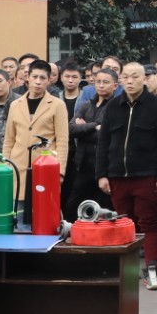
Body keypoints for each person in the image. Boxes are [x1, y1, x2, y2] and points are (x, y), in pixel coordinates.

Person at [96, 62, 157, 288]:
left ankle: (151, 267)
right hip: (117, 176)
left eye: (135, 77)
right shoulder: (113, 106)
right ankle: (124, 269)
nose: (130, 81)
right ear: (120, 79)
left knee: (149, 222)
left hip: (146, 176)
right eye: (126, 77)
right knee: (122, 222)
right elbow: (103, 143)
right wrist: (101, 174)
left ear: (145, 79)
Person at [2, 59, 70, 226]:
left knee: (44, 218)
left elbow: (62, 141)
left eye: (42, 78)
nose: (38, 82)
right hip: (18, 167)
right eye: (35, 77)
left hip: (45, 167)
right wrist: (6, 165)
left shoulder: (57, 105)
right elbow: (9, 140)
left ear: (49, 80)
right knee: (19, 217)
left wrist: (60, 172)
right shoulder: (15, 105)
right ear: (28, 78)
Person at [66, 67, 115, 220]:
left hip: (105, 167)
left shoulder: (115, 107)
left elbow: (105, 136)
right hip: (82, 165)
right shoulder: (86, 105)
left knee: (103, 209)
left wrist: (84, 128)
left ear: (115, 85)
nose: (101, 85)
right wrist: (94, 126)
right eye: (98, 81)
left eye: (105, 82)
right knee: (72, 206)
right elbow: (71, 129)